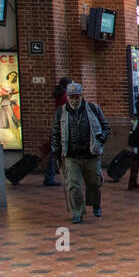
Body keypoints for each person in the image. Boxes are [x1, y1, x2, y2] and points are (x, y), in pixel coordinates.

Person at [50, 82, 110, 224]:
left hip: (91, 154)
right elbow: (55, 133)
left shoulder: (93, 109)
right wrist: (56, 152)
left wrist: (102, 137)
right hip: (71, 155)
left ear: (82, 96)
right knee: (73, 185)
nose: (74, 100)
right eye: (71, 97)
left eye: (76, 97)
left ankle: (95, 204)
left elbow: (105, 126)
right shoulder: (61, 112)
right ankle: (77, 212)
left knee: (94, 183)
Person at [42, 77, 72, 186]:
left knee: (55, 152)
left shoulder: (61, 96)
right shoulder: (65, 97)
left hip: (59, 127)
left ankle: (50, 176)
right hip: (62, 128)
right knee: (56, 153)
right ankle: (50, 176)